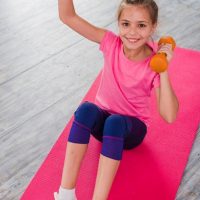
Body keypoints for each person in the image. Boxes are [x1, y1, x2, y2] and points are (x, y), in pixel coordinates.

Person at [54, 0, 179, 199]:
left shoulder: (152, 65)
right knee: (86, 109)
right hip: (103, 125)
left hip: (131, 131)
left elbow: (170, 116)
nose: (132, 32)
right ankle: (65, 194)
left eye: (141, 25)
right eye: (126, 24)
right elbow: (68, 17)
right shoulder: (110, 43)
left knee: (115, 122)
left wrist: (163, 69)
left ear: (153, 27)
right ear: (118, 24)